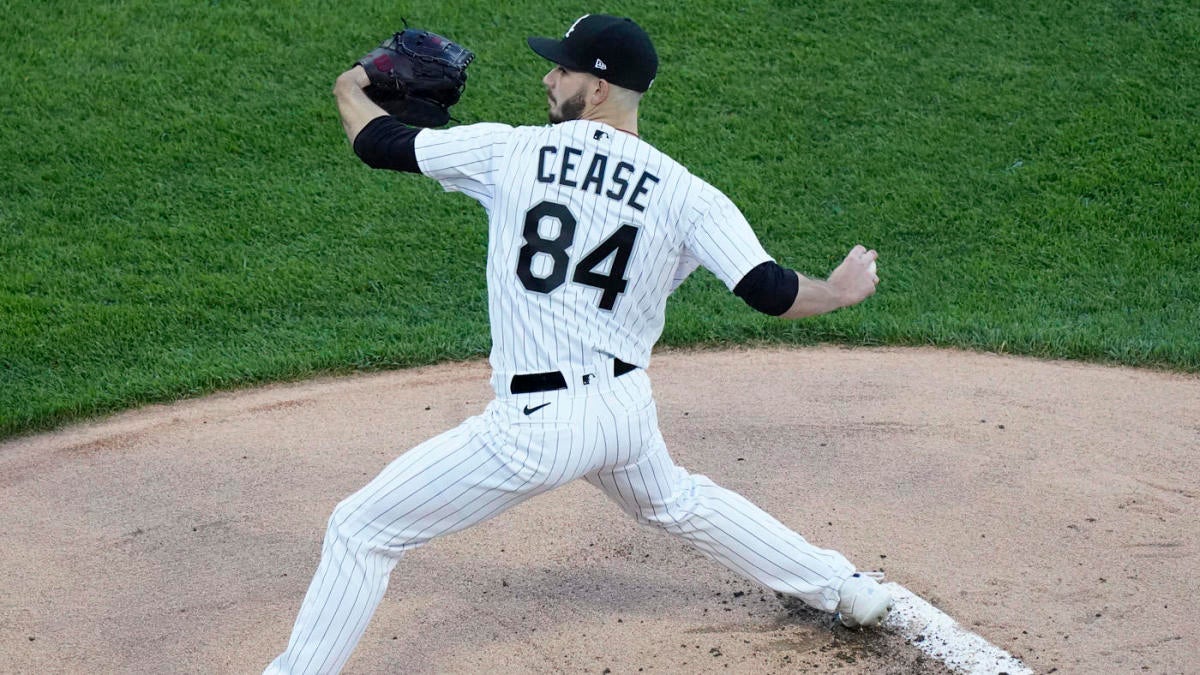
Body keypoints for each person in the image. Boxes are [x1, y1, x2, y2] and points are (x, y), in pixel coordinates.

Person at [266, 14, 890, 674]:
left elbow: (378, 141)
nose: (547, 75)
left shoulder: (510, 151)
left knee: (362, 527)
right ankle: (843, 585)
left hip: (534, 429)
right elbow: (769, 289)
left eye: (561, 68)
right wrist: (839, 290)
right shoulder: (687, 194)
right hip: (623, 412)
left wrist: (351, 83)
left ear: (596, 88)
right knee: (676, 500)